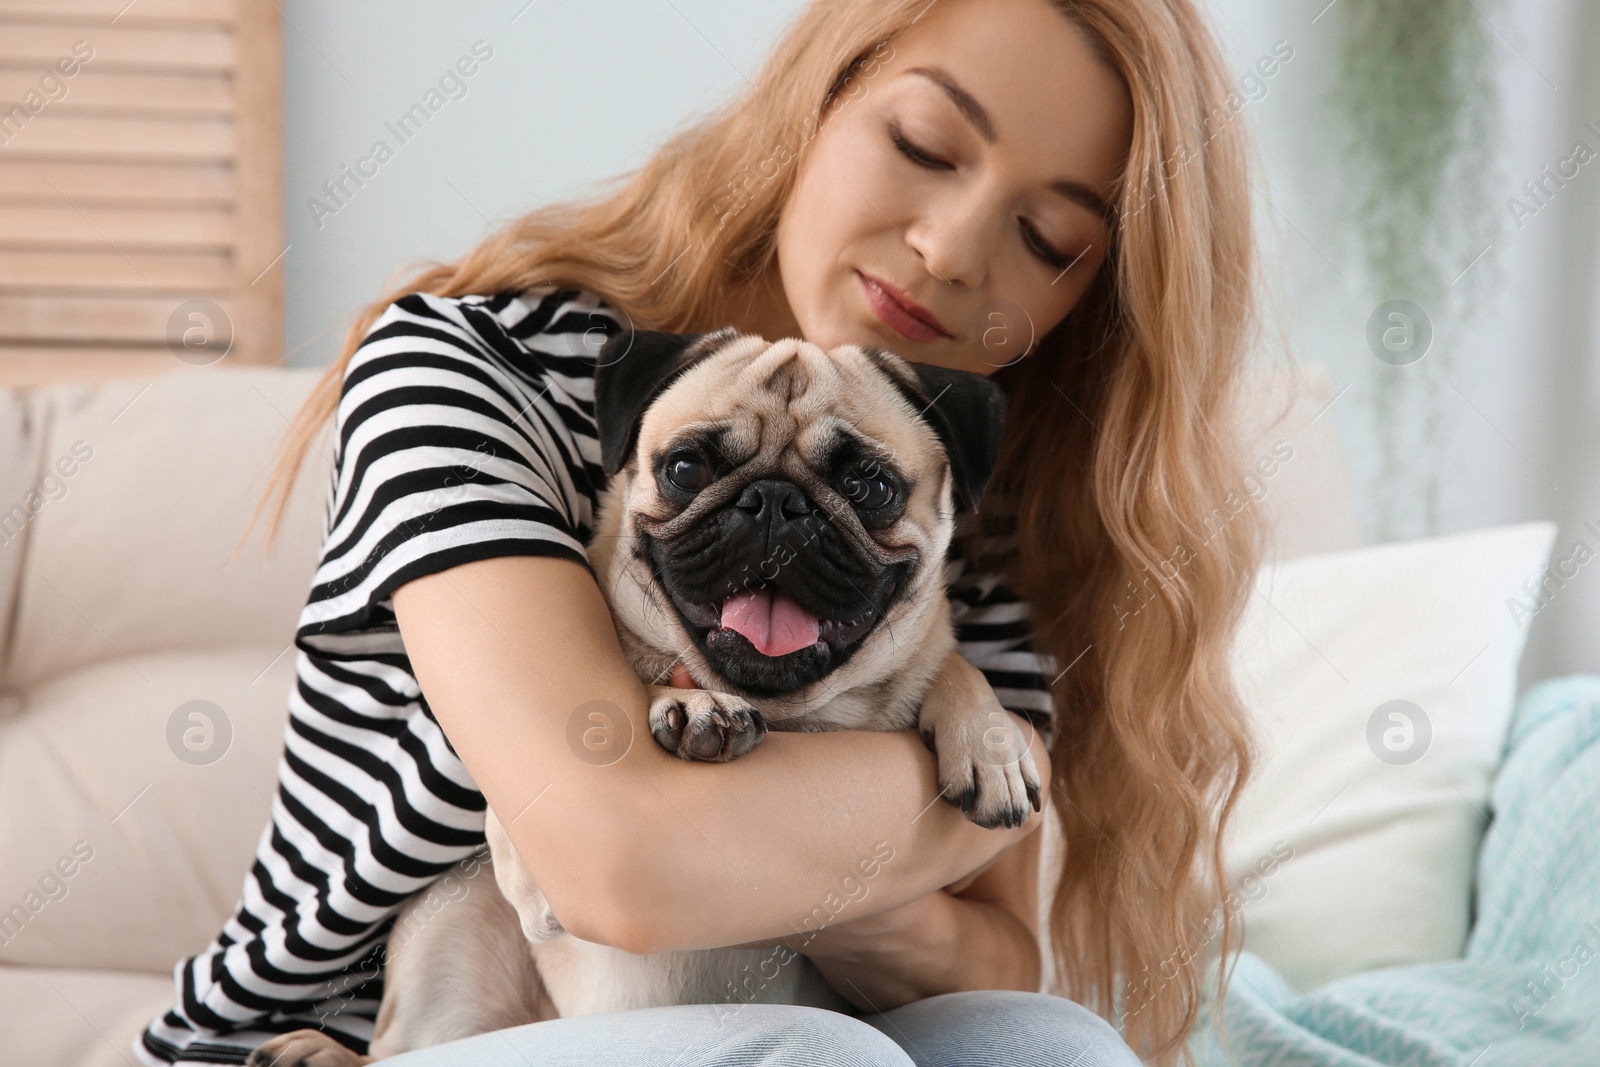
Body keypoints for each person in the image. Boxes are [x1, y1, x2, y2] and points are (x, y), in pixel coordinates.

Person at [136, 0, 1282, 1064]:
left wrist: (844, 824)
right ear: (818, 97)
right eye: (926, 144)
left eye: (1045, 237)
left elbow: (997, 956)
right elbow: (618, 864)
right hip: (367, 1028)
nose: (950, 246)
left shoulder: (970, 483)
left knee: (1042, 1044)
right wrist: (950, 781)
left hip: (763, 1012)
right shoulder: (467, 373)